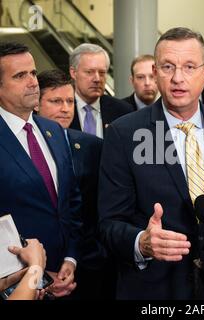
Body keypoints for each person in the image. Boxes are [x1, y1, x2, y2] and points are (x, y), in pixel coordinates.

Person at [98, 27, 204, 300]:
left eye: (189, 66)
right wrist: (142, 243)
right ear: (156, 72)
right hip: (154, 288)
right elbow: (109, 223)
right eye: (167, 67)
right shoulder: (124, 134)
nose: (177, 78)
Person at [0, 42, 82, 298]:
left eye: (33, 73)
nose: (33, 82)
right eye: (19, 76)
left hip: (65, 279)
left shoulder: (54, 131)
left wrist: (71, 259)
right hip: (15, 284)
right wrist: (36, 273)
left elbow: (71, 203)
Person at [35, 69, 114, 299]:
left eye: (70, 101)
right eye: (56, 101)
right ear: (37, 104)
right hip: (39, 263)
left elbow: (103, 202)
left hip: (89, 265)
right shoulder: (25, 148)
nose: (65, 108)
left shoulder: (92, 146)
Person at [69, 43, 133, 138]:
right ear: (73, 73)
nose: (97, 79)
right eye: (89, 72)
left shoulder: (123, 111)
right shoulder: (61, 110)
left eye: (102, 73)